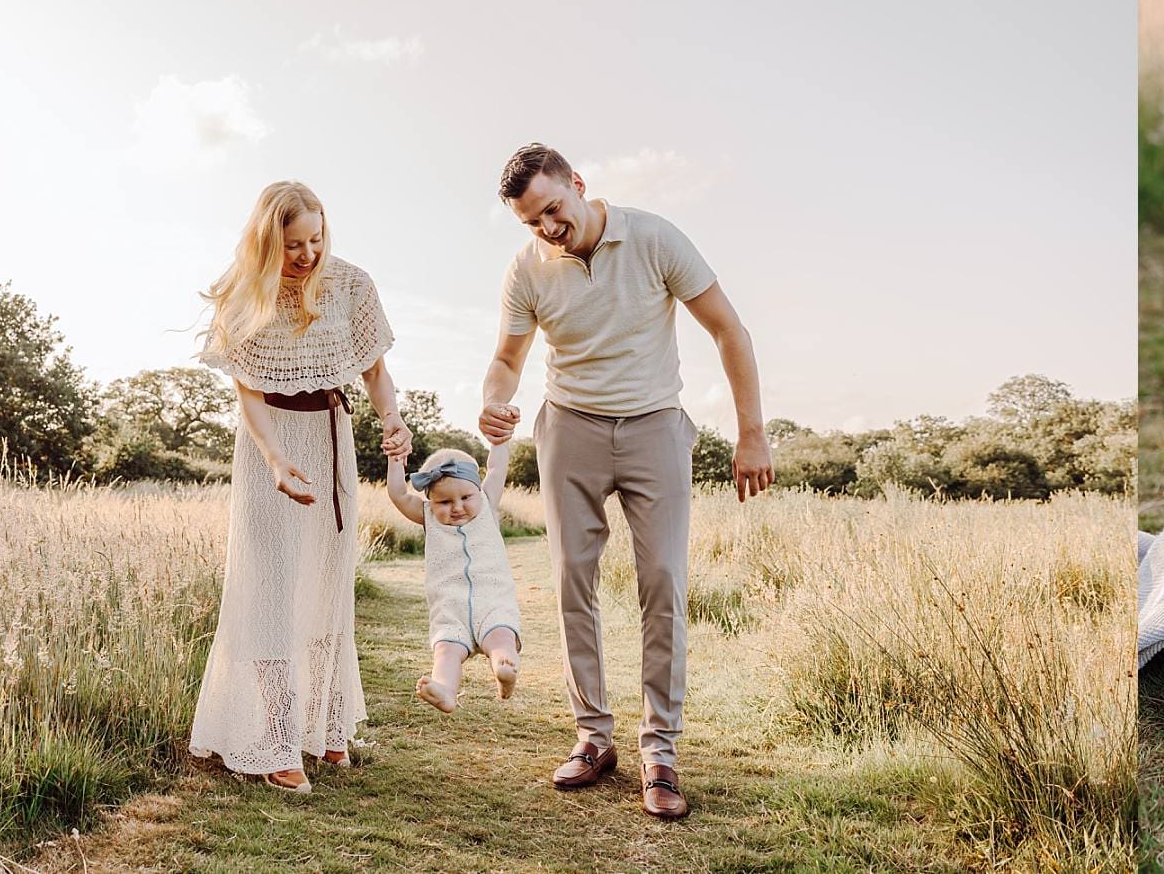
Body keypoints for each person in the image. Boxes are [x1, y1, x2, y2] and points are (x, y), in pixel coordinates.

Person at [480, 143, 773, 819]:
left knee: (662, 580)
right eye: (532, 222)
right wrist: (495, 399)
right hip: (571, 428)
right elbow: (506, 357)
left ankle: (660, 751)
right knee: (570, 579)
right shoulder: (526, 269)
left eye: (553, 209)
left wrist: (751, 432)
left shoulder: (654, 237)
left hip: (653, 427)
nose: (548, 228)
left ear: (578, 185)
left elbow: (729, 329)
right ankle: (593, 737)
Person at [188, 181, 412, 793]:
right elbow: (250, 396)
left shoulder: (352, 285)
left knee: (326, 583)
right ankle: (279, 738)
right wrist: (277, 461)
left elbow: (375, 370)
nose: (308, 253)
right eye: (292, 245)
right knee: (271, 586)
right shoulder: (243, 293)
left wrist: (391, 420)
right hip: (273, 447)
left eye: (316, 239)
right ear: (267, 241)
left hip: (333, 435)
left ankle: (325, 727)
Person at [384, 443, 524, 714]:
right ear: (430, 502)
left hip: (492, 600)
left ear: (477, 491)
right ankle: (446, 691)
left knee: (500, 637)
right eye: (445, 502)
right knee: (447, 651)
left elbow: (496, 468)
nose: (457, 507)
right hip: (450, 608)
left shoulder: (485, 503)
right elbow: (398, 493)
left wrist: (499, 441)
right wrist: (395, 458)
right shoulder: (428, 517)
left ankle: (504, 668)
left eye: (465, 497)